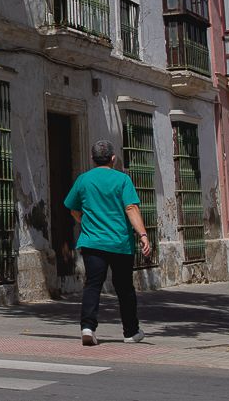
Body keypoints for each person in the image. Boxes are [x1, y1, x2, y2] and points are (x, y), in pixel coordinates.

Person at [63, 139, 152, 346]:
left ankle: (87, 328)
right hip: (120, 243)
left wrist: (85, 221)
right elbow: (131, 208)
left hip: (92, 242)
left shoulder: (83, 180)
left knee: (93, 284)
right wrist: (143, 235)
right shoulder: (122, 180)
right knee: (125, 287)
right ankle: (131, 332)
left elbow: (73, 209)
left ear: (92, 159)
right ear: (113, 158)